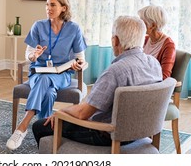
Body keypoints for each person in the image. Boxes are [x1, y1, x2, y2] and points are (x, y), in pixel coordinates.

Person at [32, 15, 162, 147]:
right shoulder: (154, 64)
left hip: (105, 135)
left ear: (115, 40)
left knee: (39, 126)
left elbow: (83, 113)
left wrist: (61, 112)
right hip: (139, 133)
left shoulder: (115, 71)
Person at [6, 0, 87, 151]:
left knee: (46, 80)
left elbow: (81, 59)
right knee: (49, 92)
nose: (48, 8)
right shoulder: (38, 26)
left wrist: (79, 65)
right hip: (38, 72)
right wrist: (33, 56)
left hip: (62, 74)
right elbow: (28, 54)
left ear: (63, 8)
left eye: (52, 5)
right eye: (47, 4)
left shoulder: (74, 29)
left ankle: (22, 126)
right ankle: (43, 132)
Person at [138, 5, 176, 79]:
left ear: (152, 25)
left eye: (142, 22)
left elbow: (164, 76)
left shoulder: (169, 45)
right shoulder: (144, 39)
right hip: (140, 81)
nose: (139, 25)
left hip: (153, 86)